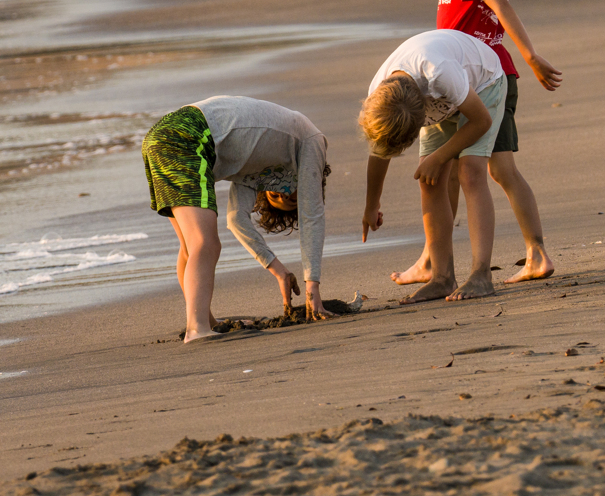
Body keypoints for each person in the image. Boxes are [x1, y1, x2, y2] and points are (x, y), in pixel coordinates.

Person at [396, 0, 561, 288]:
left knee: (460, 171)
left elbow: (500, 7)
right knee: (495, 170)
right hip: (487, 75)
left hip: (474, 81)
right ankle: (532, 252)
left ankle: (447, 260)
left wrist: (532, 55)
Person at [142, 95, 332, 342]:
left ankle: (205, 320)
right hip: (189, 135)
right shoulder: (311, 140)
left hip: (160, 136)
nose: (285, 195)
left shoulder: (258, 163)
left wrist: (279, 271)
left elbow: (236, 219)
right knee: (205, 243)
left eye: (281, 199)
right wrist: (312, 287)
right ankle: (197, 328)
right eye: (290, 196)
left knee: (190, 248)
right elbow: (312, 215)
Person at [361, 29, 506, 304]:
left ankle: (481, 274)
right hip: (441, 96)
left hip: (483, 84)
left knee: (470, 172)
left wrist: (439, 157)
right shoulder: (378, 95)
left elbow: (481, 121)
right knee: (429, 181)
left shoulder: (439, 72)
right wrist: (371, 204)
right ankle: (441, 277)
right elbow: (379, 151)